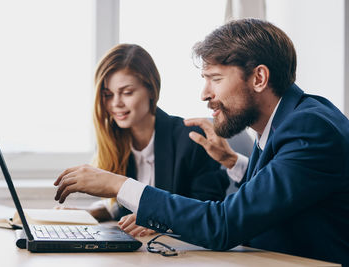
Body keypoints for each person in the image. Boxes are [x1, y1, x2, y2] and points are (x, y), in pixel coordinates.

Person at [54, 19, 349, 266]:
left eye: (215, 79)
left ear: (259, 78)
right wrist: (233, 161)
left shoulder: (308, 129)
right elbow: (274, 194)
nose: (204, 94)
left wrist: (118, 185)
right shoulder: (285, 121)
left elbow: (224, 224)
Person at [76, 43, 230, 236]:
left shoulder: (191, 138)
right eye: (108, 95)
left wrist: (162, 221)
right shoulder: (115, 140)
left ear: (151, 89)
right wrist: (90, 212)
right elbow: (124, 205)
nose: (116, 103)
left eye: (127, 92)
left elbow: (210, 210)